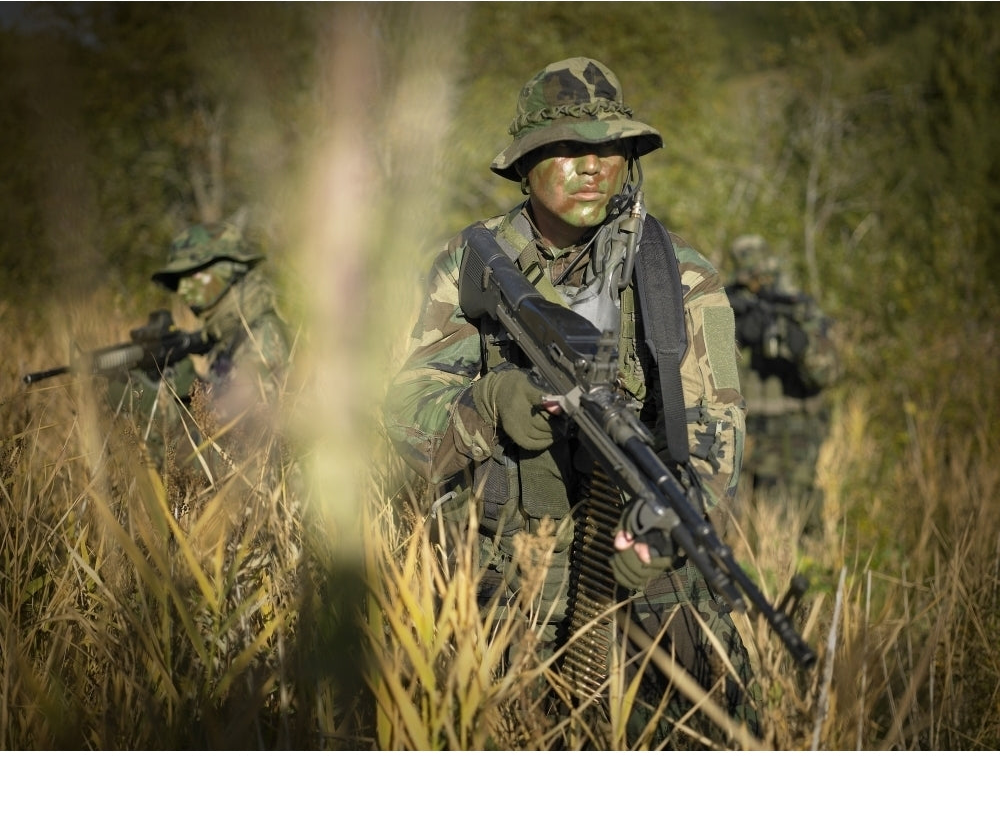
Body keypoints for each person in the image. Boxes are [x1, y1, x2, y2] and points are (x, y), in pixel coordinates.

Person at [384, 57, 759, 747]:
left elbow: (717, 437)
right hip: (501, 576)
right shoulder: (470, 265)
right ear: (526, 165)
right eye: (570, 149)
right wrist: (488, 403)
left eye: (611, 149)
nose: (594, 166)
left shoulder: (679, 277)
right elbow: (406, 409)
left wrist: (663, 529)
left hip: (637, 563)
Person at [109, 219, 291, 475]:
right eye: (178, 281)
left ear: (228, 268)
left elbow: (249, 453)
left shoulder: (262, 338)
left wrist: (170, 409)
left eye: (193, 274)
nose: (183, 290)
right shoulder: (230, 335)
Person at [725, 234, 839, 534]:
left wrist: (802, 346)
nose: (760, 284)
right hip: (748, 428)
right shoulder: (728, 306)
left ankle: (805, 565)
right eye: (751, 279)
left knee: (798, 510)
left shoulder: (799, 309)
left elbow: (827, 374)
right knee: (742, 514)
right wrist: (732, 334)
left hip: (797, 429)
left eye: (765, 276)